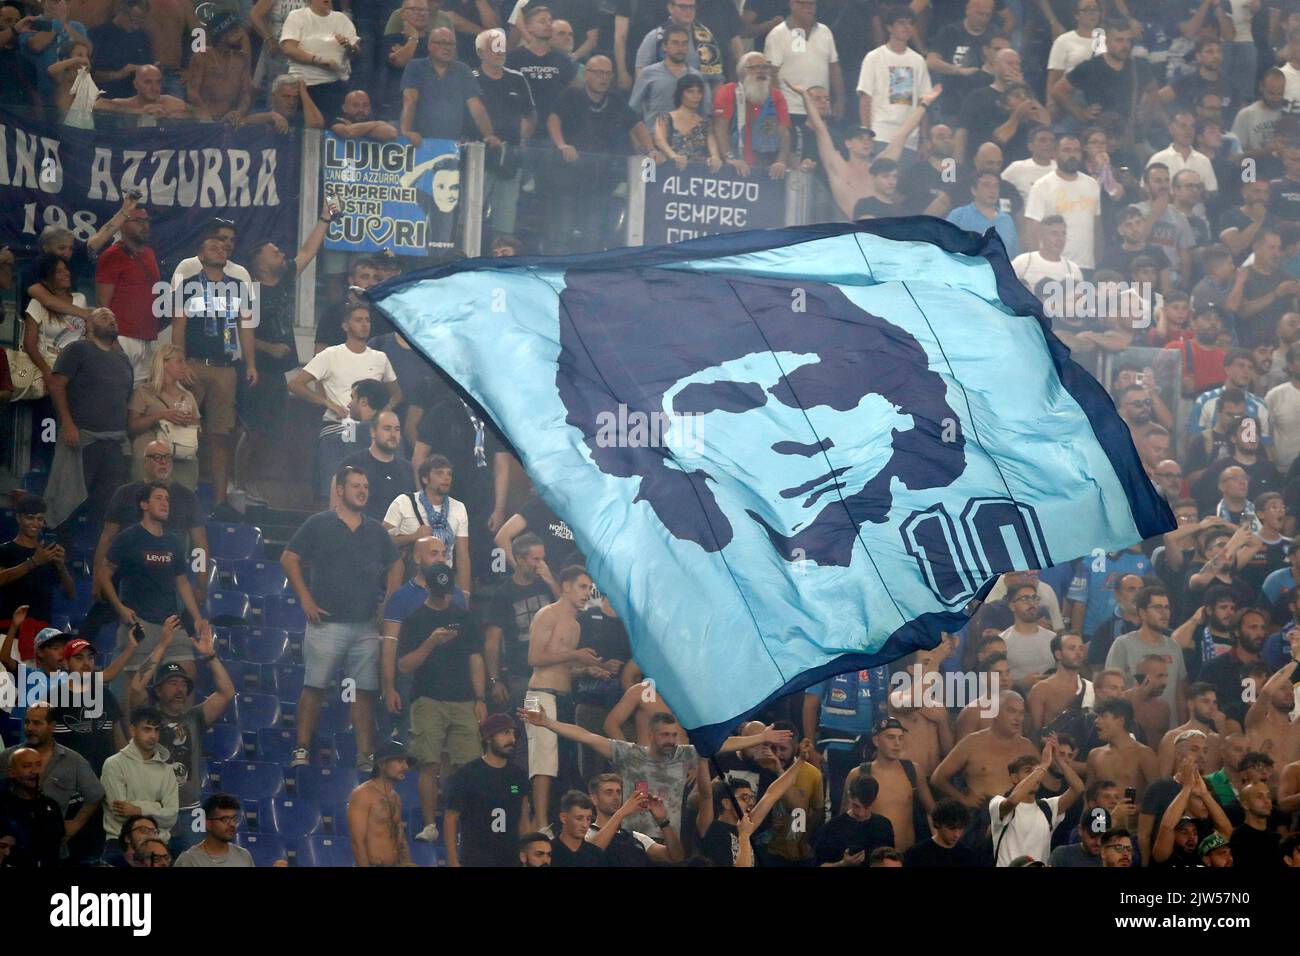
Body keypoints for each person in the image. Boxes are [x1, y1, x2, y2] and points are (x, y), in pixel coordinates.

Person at [282, 466, 403, 771]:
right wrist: (305, 598)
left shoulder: (376, 530)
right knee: (314, 686)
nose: (362, 491)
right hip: (326, 624)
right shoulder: (318, 523)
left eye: (365, 486)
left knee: (364, 692)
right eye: (356, 486)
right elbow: (288, 558)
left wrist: (388, 603)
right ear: (339, 490)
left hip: (365, 626)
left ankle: (365, 756)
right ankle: (301, 748)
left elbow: (396, 565)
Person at [519, 706, 792, 834]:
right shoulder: (628, 753)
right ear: (651, 734)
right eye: (665, 735)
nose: (671, 740)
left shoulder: (684, 755)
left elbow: (722, 744)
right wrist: (549, 723)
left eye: (674, 735)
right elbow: (586, 736)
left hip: (668, 841)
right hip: (629, 836)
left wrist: (761, 737)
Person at [169, 224, 258, 517]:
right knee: (184, 430)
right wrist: (178, 363)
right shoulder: (188, 283)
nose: (221, 249)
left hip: (225, 369)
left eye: (225, 247)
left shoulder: (238, 286)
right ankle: (178, 497)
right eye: (214, 246)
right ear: (201, 252)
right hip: (193, 364)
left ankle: (219, 503)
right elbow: (178, 326)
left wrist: (251, 363)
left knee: (221, 436)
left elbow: (247, 327)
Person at [126, 619, 234, 852]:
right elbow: (136, 688)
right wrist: (163, 645)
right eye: (172, 684)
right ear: (159, 690)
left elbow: (227, 693)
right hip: (153, 810)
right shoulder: (148, 720)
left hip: (189, 810)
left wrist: (210, 656)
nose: (180, 689)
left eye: (184, 684)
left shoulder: (194, 718)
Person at [397, 561, 484, 842]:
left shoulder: (466, 617)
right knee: (428, 762)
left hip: (463, 699)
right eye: (439, 591)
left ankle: (462, 824)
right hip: (427, 698)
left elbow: (475, 659)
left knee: (467, 764)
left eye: (447, 591)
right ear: (428, 587)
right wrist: (431, 642)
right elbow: (405, 666)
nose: (444, 596)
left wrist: (480, 698)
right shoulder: (414, 620)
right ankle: (429, 824)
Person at [100, 482, 207, 686]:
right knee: (136, 692)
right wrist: (120, 607)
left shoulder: (173, 541)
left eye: (167, 499)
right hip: (139, 623)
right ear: (144, 504)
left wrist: (197, 618)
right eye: (158, 498)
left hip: (172, 622)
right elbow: (104, 574)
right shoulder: (127, 538)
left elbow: (182, 581)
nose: (165, 503)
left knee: (187, 676)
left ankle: (180, 720)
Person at [522, 564, 605, 828]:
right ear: (566, 586)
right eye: (582, 587)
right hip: (540, 693)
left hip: (563, 695)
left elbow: (565, 668)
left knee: (565, 762)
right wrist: (574, 655)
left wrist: (587, 669)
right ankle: (541, 822)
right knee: (543, 761)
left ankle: (558, 821)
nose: (585, 593)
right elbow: (534, 658)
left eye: (589, 589)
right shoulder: (548, 614)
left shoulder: (576, 625)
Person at [291, 306, 400, 501]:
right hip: (338, 428)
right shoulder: (331, 355)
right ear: (345, 325)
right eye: (358, 320)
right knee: (335, 490)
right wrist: (328, 403)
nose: (364, 324)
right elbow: (295, 384)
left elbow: (397, 394)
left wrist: (380, 415)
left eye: (367, 320)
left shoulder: (380, 358)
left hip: (369, 432)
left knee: (372, 491)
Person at [46, 306, 132, 537]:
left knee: (108, 507)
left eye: (114, 318)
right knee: (70, 501)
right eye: (104, 317)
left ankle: (99, 561)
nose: (111, 320)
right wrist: (68, 424)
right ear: (89, 327)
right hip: (83, 438)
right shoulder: (77, 350)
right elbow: (56, 384)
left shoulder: (123, 359)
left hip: (114, 442)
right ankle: (63, 557)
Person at [0, 703, 104, 865]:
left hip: (53, 851)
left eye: (37, 723)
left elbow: (96, 794)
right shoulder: (7, 757)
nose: (29, 728)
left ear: (52, 726)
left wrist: (76, 824)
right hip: (11, 851)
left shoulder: (72, 760)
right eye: (27, 722)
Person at [443, 712, 531, 866]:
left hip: (510, 858)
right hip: (475, 858)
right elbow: (451, 818)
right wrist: (453, 860)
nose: (512, 739)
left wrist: (528, 853)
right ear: (489, 738)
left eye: (513, 734)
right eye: (505, 733)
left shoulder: (518, 775)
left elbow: (523, 817)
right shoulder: (466, 774)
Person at [482, 533, 555, 714]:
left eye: (543, 558)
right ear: (519, 559)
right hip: (523, 675)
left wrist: (552, 581)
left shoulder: (548, 583)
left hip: (554, 670)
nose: (541, 564)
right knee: (530, 730)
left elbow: (569, 610)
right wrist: (494, 680)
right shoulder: (504, 593)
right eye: (535, 559)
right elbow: (493, 640)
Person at [472, 27, 535, 238]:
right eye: (494, 47)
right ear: (480, 52)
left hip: (509, 157)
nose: (500, 51)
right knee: (470, 214)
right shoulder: (471, 78)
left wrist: (519, 141)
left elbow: (530, 115)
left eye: (502, 46)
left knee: (505, 221)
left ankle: (499, 259)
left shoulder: (517, 79)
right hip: (477, 156)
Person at [383, 454, 469, 595]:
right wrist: (413, 536)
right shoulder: (404, 502)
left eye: (449, 474)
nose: (446, 478)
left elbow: (463, 556)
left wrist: (465, 594)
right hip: (410, 584)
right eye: (439, 473)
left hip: (443, 583)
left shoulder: (459, 508)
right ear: (424, 478)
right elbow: (383, 543)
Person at [0, 496, 74, 661]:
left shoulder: (49, 554)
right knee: (5, 686)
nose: (35, 523)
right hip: (7, 635)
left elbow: (70, 594)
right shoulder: (5, 551)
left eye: (40, 519)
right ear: (19, 518)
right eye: (30, 518)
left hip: (41, 640)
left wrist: (61, 566)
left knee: (36, 687)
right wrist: (34, 562)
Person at [991, 738, 1083, 866]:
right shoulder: (997, 802)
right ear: (1014, 777)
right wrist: (1043, 765)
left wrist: (1059, 761)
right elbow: (1013, 801)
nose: (1036, 775)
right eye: (1029, 771)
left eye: (1037, 771)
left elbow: (1078, 788)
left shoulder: (1048, 808)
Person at [93, 202, 158, 386]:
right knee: (115, 392)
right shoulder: (111, 255)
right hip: (121, 336)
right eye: (138, 220)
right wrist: (111, 340)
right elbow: (101, 302)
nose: (144, 225)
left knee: (138, 402)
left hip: (147, 338)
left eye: (146, 221)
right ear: (122, 224)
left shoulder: (150, 254)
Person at [100, 705, 179, 854]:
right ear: (132, 730)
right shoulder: (114, 764)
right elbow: (120, 814)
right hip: (121, 844)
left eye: (156, 730)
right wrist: (157, 807)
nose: (153, 736)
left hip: (158, 846)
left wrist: (138, 810)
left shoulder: (167, 770)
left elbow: (172, 817)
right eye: (147, 729)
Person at [401, 26, 499, 146]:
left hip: (453, 144)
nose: (447, 47)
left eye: (451, 44)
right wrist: (406, 131)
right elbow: (410, 100)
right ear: (430, 46)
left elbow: (476, 107)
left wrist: (489, 135)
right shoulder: (415, 66)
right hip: (420, 142)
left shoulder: (463, 70)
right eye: (441, 43)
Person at [856, 5, 931, 153]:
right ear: (889, 27)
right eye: (901, 22)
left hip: (910, 139)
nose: (906, 27)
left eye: (910, 23)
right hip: (880, 135)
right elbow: (865, 98)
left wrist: (924, 138)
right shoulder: (874, 57)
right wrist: (866, 135)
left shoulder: (918, 61)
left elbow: (923, 102)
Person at [1023, 133, 1100, 272]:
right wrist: (1038, 264)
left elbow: (1097, 226)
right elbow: (1031, 231)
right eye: (1066, 150)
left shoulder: (1092, 185)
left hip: (1086, 265)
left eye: (1076, 150)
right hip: (1053, 265)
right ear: (1055, 153)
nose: (1072, 155)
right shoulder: (1042, 186)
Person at [711, 51, 791, 178]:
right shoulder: (727, 91)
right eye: (754, 68)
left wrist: (780, 161)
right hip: (733, 166)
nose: (761, 71)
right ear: (742, 72)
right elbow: (720, 129)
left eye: (765, 67)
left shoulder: (776, 96)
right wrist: (730, 158)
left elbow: (784, 132)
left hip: (765, 167)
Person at [278, 0, 358, 120]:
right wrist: (318, 60)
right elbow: (289, 49)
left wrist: (348, 46)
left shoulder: (341, 19)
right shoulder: (297, 16)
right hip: (303, 85)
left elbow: (354, 53)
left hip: (335, 85)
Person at [587, 773, 684, 865]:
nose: (616, 797)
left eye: (619, 792)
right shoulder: (585, 834)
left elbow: (676, 857)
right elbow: (590, 855)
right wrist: (621, 813)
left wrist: (663, 821)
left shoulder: (635, 837)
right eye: (609, 792)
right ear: (595, 799)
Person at [347, 739, 416, 867]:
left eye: (406, 762)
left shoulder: (396, 798)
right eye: (400, 761)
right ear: (382, 764)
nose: (405, 767)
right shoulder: (362, 794)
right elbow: (357, 842)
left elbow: (399, 836)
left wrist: (407, 862)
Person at [342, 410, 414, 523]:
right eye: (387, 429)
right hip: (362, 533)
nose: (393, 434)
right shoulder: (353, 463)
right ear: (373, 432)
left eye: (397, 429)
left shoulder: (408, 469)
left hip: (399, 536)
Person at [0, 747, 64, 867]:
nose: (35, 771)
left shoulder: (51, 806)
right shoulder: (3, 805)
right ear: (11, 773)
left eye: (38, 765)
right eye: (27, 766)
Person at [812, 774, 894, 866]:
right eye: (856, 806)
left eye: (867, 807)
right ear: (849, 795)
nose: (861, 813)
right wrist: (843, 864)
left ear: (875, 800)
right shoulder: (833, 828)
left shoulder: (884, 826)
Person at [185, 11, 252, 124]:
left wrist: (239, 113)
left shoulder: (241, 60)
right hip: (204, 121)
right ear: (223, 34)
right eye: (236, 30)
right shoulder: (202, 57)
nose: (241, 34)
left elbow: (246, 94)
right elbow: (192, 92)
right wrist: (206, 115)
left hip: (230, 122)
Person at [657, 73, 725, 169]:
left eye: (699, 92)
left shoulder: (705, 123)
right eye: (690, 91)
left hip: (697, 174)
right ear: (680, 93)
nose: (695, 96)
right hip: (671, 172)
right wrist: (673, 156)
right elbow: (660, 141)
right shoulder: (664, 118)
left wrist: (715, 158)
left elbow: (713, 148)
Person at [174, 793, 253, 867]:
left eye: (234, 819)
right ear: (208, 824)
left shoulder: (244, 856)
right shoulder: (189, 860)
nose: (232, 824)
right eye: (225, 819)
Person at [92, 63, 191, 121]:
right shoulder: (127, 103)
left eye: (158, 82)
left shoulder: (170, 103)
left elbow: (201, 114)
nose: (154, 88)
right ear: (136, 84)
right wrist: (139, 112)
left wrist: (169, 115)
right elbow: (98, 104)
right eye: (147, 82)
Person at [902, 797, 979, 866]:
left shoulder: (968, 855)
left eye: (960, 828)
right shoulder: (916, 854)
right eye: (951, 828)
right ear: (937, 823)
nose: (957, 834)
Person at [549, 789, 604, 866]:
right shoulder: (548, 852)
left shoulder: (596, 854)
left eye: (588, 819)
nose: (585, 825)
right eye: (579, 818)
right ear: (563, 818)